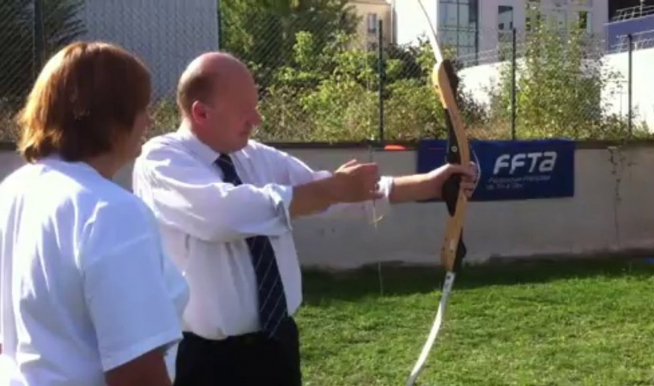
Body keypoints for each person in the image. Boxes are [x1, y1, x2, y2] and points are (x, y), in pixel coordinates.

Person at [131, 51, 475, 386]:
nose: (257, 120)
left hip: (276, 347)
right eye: (245, 111)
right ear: (201, 113)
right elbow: (225, 214)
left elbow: (330, 193)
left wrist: (429, 185)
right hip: (207, 361)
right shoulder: (161, 159)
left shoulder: (256, 157)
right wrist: (330, 191)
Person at [0, 41, 189, 386]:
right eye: (142, 107)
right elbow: (136, 368)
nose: (148, 120)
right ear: (112, 118)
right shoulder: (111, 211)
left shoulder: (13, 191)